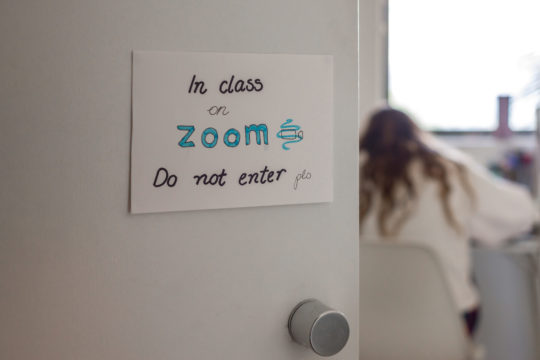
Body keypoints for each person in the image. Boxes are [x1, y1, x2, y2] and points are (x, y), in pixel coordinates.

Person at [359, 107, 539, 336]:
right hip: (444, 324)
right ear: (415, 133)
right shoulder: (448, 171)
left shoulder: (350, 174)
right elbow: (521, 212)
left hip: (367, 323)